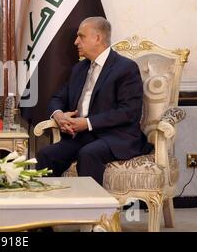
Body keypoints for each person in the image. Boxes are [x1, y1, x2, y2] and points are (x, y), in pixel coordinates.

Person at [36, 16, 152, 185]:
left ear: (97, 38)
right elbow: (58, 98)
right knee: (46, 154)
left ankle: (91, 210)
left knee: (89, 153)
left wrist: (87, 123)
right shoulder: (79, 68)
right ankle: (50, 207)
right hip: (82, 136)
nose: (76, 41)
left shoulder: (125, 68)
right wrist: (59, 115)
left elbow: (129, 111)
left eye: (81, 36)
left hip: (116, 137)